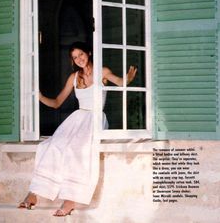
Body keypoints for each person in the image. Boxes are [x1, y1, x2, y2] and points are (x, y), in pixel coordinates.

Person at [18, 41, 137, 217]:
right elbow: (57, 102)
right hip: (77, 118)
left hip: (94, 119)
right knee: (51, 146)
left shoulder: (102, 71)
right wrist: (40, 96)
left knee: (77, 149)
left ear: (88, 53)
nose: (79, 59)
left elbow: (120, 82)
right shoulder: (73, 78)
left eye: (81, 54)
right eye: (75, 57)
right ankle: (34, 193)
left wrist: (127, 78)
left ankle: (70, 200)